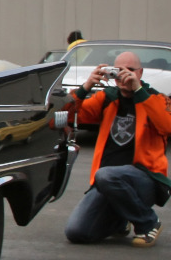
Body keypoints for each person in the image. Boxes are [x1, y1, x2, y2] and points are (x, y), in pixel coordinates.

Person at [64, 51, 171, 247]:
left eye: (129, 70)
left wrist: (138, 90)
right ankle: (120, 219)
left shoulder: (156, 98)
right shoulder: (107, 98)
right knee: (77, 232)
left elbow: (167, 126)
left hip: (144, 180)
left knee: (106, 175)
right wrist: (87, 86)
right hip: (107, 183)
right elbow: (68, 116)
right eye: (118, 71)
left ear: (140, 73)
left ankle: (148, 222)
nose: (124, 75)